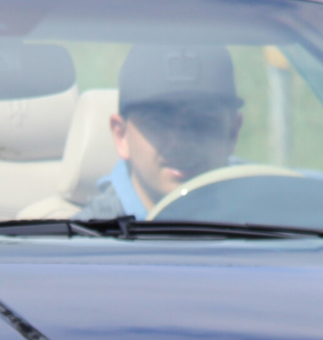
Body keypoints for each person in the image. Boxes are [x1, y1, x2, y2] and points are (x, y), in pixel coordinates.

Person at [78, 43, 246, 221]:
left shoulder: (270, 223)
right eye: (158, 122)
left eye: (202, 122)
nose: (180, 143)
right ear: (121, 136)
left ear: (232, 134)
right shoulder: (87, 243)